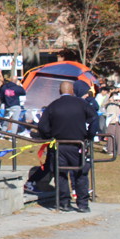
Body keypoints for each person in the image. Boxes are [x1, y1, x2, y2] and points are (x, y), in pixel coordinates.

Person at [37, 81, 97, 211]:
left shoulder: (53, 105)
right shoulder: (82, 104)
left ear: (60, 91)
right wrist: (90, 136)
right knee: (80, 174)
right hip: (78, 144)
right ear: (72, 91)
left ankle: (64, 202)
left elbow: (42, 125)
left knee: (60, 174)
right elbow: (94, 119)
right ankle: (83, 204)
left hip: (59, 145)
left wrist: (49, 136)